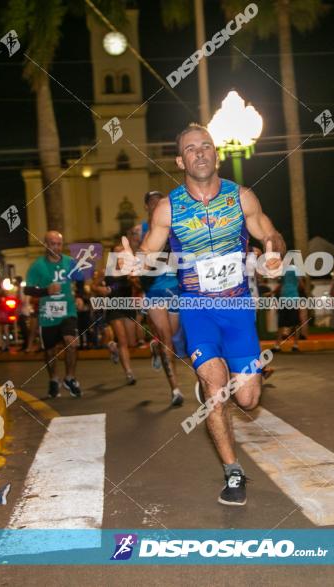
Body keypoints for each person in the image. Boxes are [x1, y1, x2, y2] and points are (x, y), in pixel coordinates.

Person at [125, 123, 285, 506]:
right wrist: (136, 265)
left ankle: (222, 383)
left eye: (206, 146)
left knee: (247, 399)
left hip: (237, 308)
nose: (199, 153)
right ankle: (233, 473)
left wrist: (274, 248)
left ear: (216, 153)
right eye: (191, 149)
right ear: (181, 160)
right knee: (216, 390)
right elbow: (149, 252)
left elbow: (270, 233)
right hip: (196, 308)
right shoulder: (168, 207)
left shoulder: (241, 197)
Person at [24, 230, 82, 398]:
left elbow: (80, 281)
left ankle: (70, 378)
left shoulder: (70, 262)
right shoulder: (37, 266)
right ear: (45, 244)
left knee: (71, 343)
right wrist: (45, 291)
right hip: (48, 313)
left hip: (68, 310)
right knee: (50, 351)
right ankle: (53, 379)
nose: (56, 247)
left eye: (59, 244)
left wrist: (79, 297)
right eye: (52, 243)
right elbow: (28, 289)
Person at [139, 191, 183, 405]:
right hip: (155, 290)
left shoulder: (174, 226)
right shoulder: (142, 229)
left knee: (172, 337)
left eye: (161, 202)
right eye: (153, 203)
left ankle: (155, 347)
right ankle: (175, 389)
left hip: (174, 287)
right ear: (147, 206)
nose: (158, 206)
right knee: (167, 340)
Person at [93, 245, 139, 385]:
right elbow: (93, 286)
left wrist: (134, 280)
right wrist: (101, 289)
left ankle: (113, 346)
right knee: (123, 341)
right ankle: (129, 373)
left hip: (128, 306)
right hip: (114, 308)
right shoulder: (105, 271)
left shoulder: (130, 270)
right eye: (117, 252)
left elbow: (138, 286)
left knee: (132, 342)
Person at [273, 264, 302, 352]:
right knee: (296, 322)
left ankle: (277, 345)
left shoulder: (282, 269)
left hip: (285, 298)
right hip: (293, 298)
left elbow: (280, 284)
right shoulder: (296, 269)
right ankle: (295, 345)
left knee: (281, 322)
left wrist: (272, 293)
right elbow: (301, 284)